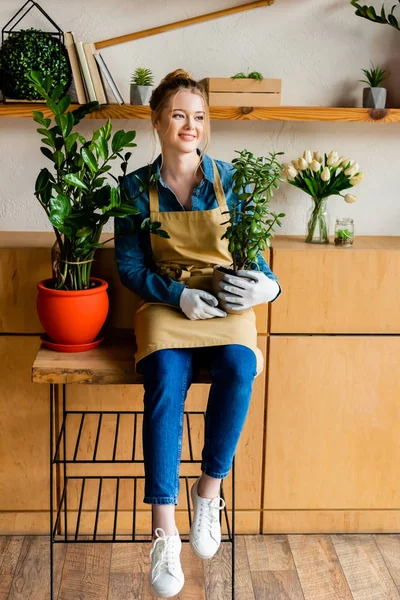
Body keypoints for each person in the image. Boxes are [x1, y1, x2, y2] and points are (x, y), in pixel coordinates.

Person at [114, 68, 282, 598]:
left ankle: (208, 493)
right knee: (165, 375)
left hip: (225, 297)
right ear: (158, 122)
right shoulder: (134, 188)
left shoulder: (232, 180)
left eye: (200, 117)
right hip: (168, 301)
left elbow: (255, 260)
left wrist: (265, 290)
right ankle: (165, 533)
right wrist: (177, 296)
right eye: (180, 115)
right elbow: (129, 266)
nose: (191, 125)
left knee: (241, 364)